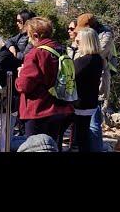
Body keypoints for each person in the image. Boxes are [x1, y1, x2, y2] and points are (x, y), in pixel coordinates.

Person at [15, 17, 73, 151]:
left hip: (38, 109)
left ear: (35, 35)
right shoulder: (61, 49)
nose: (29, 40)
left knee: (35, 147)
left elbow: (25, 85)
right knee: (53, 146)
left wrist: (19, 76)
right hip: (61, 106)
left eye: (29, 36)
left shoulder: (35, 54)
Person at [75, 12, 115, 152]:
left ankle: (96, 148)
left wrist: (80, 55)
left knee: (93, 124)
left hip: (98, 85)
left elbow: (98, 53)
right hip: (90, 86)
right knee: (86, 129)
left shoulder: (106, 35)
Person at [71, 27, 104, 152]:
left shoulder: (83, 61)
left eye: (78, 41)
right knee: (84, 136)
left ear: (86, 42)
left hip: (80, 104)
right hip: (90, 103)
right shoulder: (98, 59)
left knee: (82, 139)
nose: (76, 43)